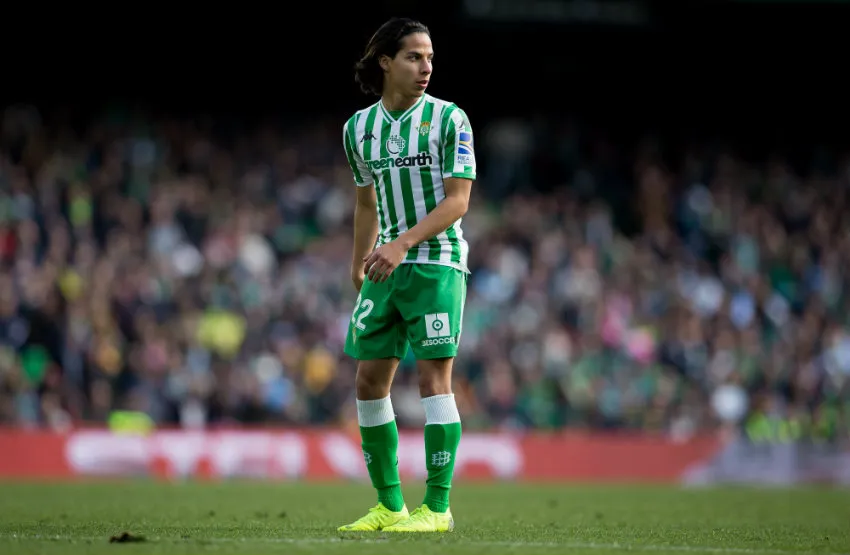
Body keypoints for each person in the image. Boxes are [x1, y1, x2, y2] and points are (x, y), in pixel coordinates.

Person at [337, 17, 476, 533]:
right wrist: (359, 260)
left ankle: (437, 509)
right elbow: (365, 202)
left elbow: (458, 201)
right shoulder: (358, 129)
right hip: (386, 266)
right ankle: (390, 505)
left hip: (436, 262)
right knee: (369, 380)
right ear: (385, 62)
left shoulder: (449, 119)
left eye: (430, 58)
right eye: (414, 57)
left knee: (432, 380)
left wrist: (401, 244)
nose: (426, 67)